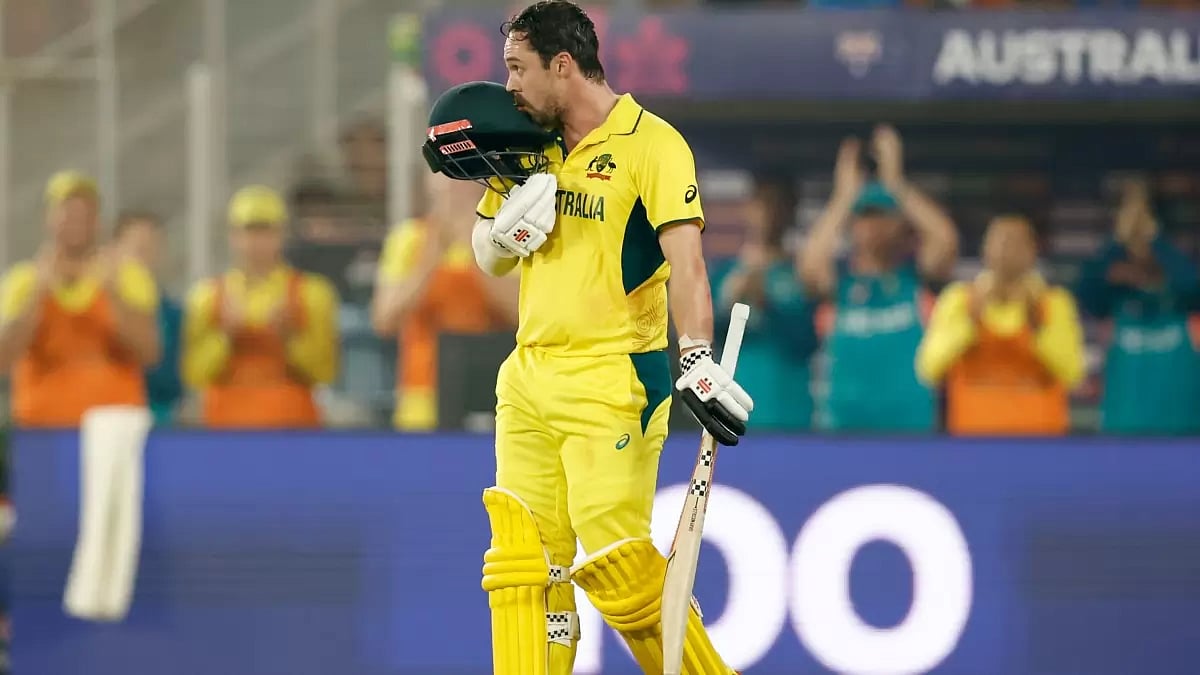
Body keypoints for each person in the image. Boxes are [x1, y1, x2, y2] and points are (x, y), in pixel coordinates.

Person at [420, 2, 753, 673]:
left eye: (519, 68)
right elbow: (487, 253)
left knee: (616, 565)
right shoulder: (528, 140)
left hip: (613, 376)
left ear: (563, 65)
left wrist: (695, 353)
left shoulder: (652, 144)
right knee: (524, 565)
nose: (509, 85)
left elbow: (687, 263)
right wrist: (502, 235)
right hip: (527, 376)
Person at [800, 127, 958, 433]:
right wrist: (844, 196)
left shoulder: (915, 278)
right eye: (865, 215)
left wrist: (896, 183)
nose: (874, 225)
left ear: (900, 223)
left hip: (910, 429)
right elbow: (810, 267)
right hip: (844, 429)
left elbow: (945, 241)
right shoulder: (841, 283)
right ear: (853, 223)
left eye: (883, 215)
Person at [0, 171, 160, 427]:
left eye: (84, 213)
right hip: (41, 428)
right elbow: (4, 359)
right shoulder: (23, 280)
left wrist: (112, 292)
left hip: (113, 427)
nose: (75, 220)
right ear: (49, 219)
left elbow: (149, 353)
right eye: (67, 212)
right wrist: (37, 295)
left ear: (97, 221)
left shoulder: (128, 277)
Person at [182, 185, 340, 428]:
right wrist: (225, 337)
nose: (255, 243)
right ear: (232, 236)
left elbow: (325, 372)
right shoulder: (206, 296)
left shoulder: (313, 293)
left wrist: (289, 338)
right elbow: (194, 375)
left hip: (292, 429)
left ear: (282, 235)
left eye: (265, 232)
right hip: (225, 429)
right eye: (248, 232)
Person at [372, 172, 519, 430]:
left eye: (464, 179)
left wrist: (479, 253)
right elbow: (384, 321)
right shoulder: (408, 238)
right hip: (422, 397)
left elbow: (522, 315)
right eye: (446, 177)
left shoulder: (508, 239)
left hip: (498, 395)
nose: (454, 188)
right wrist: (431, 256)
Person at [917, 215, 1086, 435]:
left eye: (1015, 241)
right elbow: (929, 368)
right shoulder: (959, 299)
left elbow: (1072, 372)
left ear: (1033, 251)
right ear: (984, 249)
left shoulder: (1054, 303)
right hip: (973, 440)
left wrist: (1037, 325)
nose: (1006, 248)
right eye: (999, 241)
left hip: (1041, 440)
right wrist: (970, 321)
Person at [1075, 179, 1200, 435]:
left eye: (1143, 211)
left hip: (1176, 411)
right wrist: (1118, 249)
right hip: (1126, 405)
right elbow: (1088, 295)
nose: (1136, 219)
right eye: (1127, 211)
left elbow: (1191, 289)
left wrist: (1154, 247)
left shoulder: (1174, 262)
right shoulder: (1111, 264)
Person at [709, 177, 818, 430]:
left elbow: (808, 340)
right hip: (732, 411)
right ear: (748, 208)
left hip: (789, 413)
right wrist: (733, 296)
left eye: (778, 204)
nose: (769, 213)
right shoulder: (724, 273)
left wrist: (768, 303)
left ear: (791, 213)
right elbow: (704, 336)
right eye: (763, 203)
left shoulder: (800, 274)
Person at [113, 211, 184, 425]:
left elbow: (172, 382)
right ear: (116, 250)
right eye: (138, 248)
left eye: (151, 249)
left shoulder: (173, 314)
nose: (143, 258)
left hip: (156, 419)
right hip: (107, 415)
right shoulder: (96, 305)